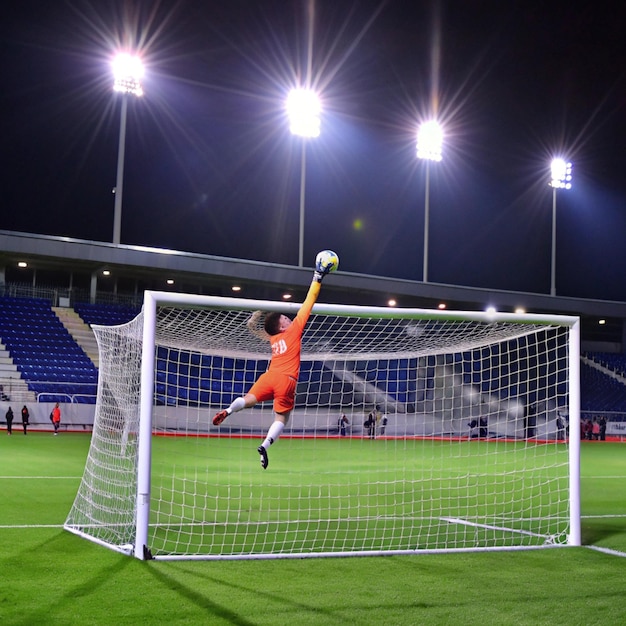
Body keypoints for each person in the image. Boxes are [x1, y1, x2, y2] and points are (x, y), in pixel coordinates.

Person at [211, 255, 336, 469]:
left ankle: (229, 411)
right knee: (282, 419)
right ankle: (265, 446)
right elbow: (309, 302)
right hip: (286, 380)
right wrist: (318, 277)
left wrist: (259, 314)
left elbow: (255, 328)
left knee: (249, 398)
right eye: (285, 319)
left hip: (269, 376)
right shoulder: (294, 330)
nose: (289, 319)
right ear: (282, 327)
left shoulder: (273, 339)